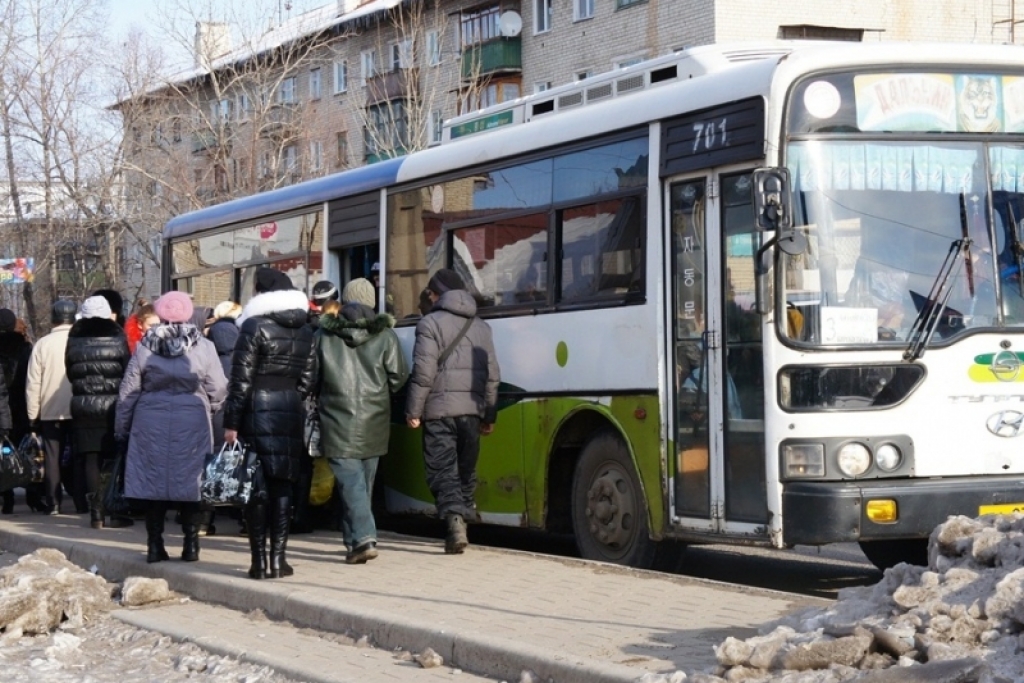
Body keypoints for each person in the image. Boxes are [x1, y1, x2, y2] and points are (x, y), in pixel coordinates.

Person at [116, 291, 227, 564]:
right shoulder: (204, 346)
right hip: (193, 420)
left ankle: (155, 544)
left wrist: (122, 428)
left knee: (153, 482)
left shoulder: (145, 345)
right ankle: (191, 544)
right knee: (192, 482)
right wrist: (209, 409)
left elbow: (128, 392)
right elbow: (220, 387)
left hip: (149, 420)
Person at [223, 268, 317, 579]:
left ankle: (257, 562)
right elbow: (308, 380)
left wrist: (231, 422)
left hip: (255, 408)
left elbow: (240, 380)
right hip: (289, 407)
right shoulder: (306, 329)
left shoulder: (253, 326)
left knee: (254, 486)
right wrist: (289, 396)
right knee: (283, 484)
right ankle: (279, 560)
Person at [405, 269, 500, 554]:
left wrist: (413, 410)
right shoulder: (482, 326)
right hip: (472, 412)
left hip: (438, 412)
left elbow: (423, 373)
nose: (429, 299)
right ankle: (464, 518)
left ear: (438, 294)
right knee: (465, 470)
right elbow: (493, 374)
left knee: (442, 470)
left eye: (430, 294)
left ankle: (455, 524)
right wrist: (489, 415)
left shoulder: (429, 324)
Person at [315, 277, 408, 564]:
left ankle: (362, 539)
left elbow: (312, 377)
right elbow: (398, 377)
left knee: (351, 484)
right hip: (374, 418)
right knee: (361, 485)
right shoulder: (386, 335)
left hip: (336, 417)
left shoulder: (325, 335)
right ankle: (356, 540)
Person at [65, 295, 131, 529]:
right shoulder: (117, 334)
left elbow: (70, 371)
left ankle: (96, 512)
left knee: (90, 457)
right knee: (112, 458)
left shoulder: (74, 336)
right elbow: (126, 368)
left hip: (83, 405)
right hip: (112, 405)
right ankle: (114, 508)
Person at [25, 300, 77, 515]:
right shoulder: (78, 341)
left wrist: (32, 414)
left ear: (53, 318)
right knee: (78, 455)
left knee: (52, 456)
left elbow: (33, 382)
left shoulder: (42, 344)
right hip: (77, 407)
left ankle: (53, 502)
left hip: (49, 409)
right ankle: (82, 502)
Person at [0, 309, 34, 513]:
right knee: (26, 451)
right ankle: (33, 495)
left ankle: (7, 497)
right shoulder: (25, 348)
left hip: (1, 409)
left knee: (3, 455)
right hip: (21, 405)